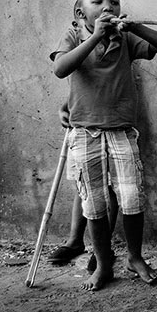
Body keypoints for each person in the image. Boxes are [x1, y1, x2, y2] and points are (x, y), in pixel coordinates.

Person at [50, 0, 157, 290]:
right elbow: (61, 68)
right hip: (84, 132)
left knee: (132, 198)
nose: (109, 6)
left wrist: (136, 28)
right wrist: (94, 37)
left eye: (115, 1)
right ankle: (104, 263)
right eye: (99, 1)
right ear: (81, 13)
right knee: (93, 203)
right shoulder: (74, 35)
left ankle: (135, 256)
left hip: (121, 131)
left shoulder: (126, 38)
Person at [46, 104, 119, 271]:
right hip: (81, 125)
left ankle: (103, 249)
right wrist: (65, 107)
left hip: (107, 124)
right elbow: (77, 88)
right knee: (82, 184)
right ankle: (75, 241)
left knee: (107, 187)